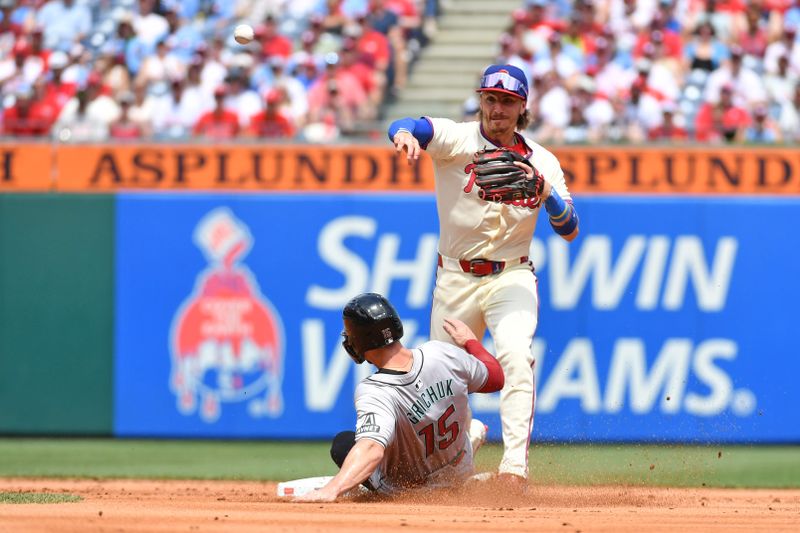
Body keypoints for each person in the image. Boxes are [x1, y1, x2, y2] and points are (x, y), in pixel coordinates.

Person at [386, 64, 580, 491]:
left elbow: (570, 229)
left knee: (514, 356)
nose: (497, 108)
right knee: (440, 384)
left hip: (511, 277)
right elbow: (409, 125)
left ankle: (513, 469)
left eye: (507, 101)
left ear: (522, 107)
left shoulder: (543, 160)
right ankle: (463, 453)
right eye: (490, 98)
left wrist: (545, 192)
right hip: (454, 278)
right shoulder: (457, 139)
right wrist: (402, 135)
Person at [296, 293, 504, 502]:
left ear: (360, 341)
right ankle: (470, 442)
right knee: (457, 407)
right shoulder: (441, 352)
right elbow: (496, 378)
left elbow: (371, 449)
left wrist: (331, 489)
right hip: (460, 470)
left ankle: (468, 444)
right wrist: (470, 341)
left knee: (343, 444)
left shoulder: (375, 390)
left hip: (413, 493)